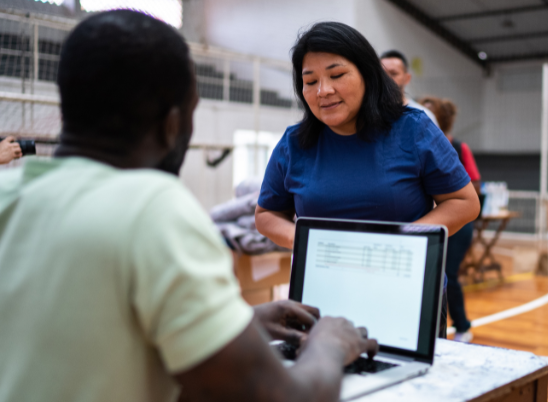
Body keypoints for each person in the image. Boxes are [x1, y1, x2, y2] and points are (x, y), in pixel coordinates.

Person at [0, 11, 377, 402]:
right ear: (173, 122)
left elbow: (75, 325)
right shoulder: (152, 211)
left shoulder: (7, 193)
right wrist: (330, 344)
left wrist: (234, 323)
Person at [255, 22, 479, 248]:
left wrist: (405, 243)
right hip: (323, 278)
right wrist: (306, 241)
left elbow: (463, 202)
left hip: (403, 276)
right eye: (311, 81)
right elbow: (267, 214)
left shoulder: (413, 129)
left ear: (367, 74)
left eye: (337, 75)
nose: (323, 91)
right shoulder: (294, 143)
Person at [420, 96, 477, 342]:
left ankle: (462, 325)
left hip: (455, 222)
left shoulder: (459, 146)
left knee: (448, 274)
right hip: (427, 221)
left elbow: (473, 183)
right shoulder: (417, 142)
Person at [380, 49, 439, 126]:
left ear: (407, 78)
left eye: (393, 73)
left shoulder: (422, 117)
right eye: (382, 74)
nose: (387, 78)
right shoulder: (367, 114)